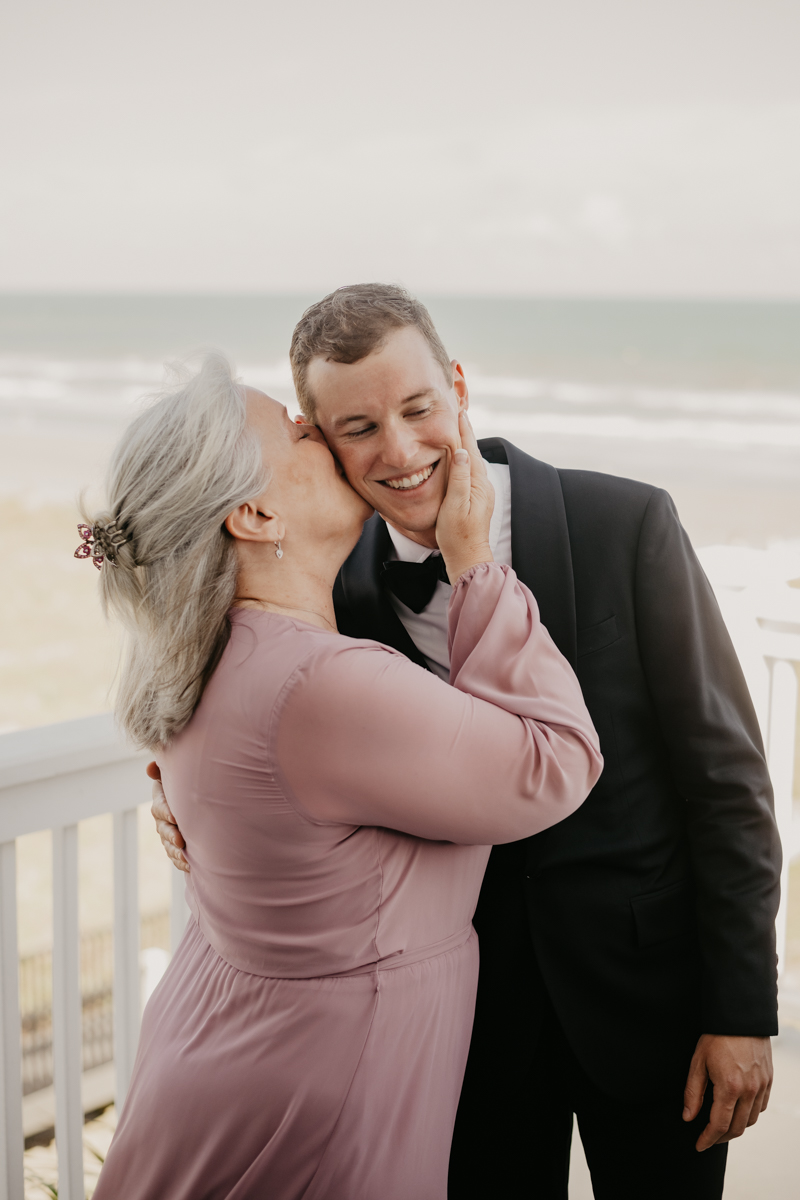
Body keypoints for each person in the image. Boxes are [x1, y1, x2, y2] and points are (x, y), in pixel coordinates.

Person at [152, 285, 783, 1200]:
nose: (400, 452)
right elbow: (258, 718)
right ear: (323, 445)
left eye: (417, 409)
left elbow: (729, 782)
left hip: (653, 1010)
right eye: (358, 428)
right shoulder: (338, 597)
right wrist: (178, 805)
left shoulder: (628, 523)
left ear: (455, 387)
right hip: (467, 1036)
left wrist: (740, 1011)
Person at [88, 354, 601, 1200]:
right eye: (299, 432)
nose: (324, 434)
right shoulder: (321, 682)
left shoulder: (203, 658)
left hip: (226, 1036)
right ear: (253, 513)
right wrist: (476, 566)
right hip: (320, 1080)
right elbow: (558, 762)